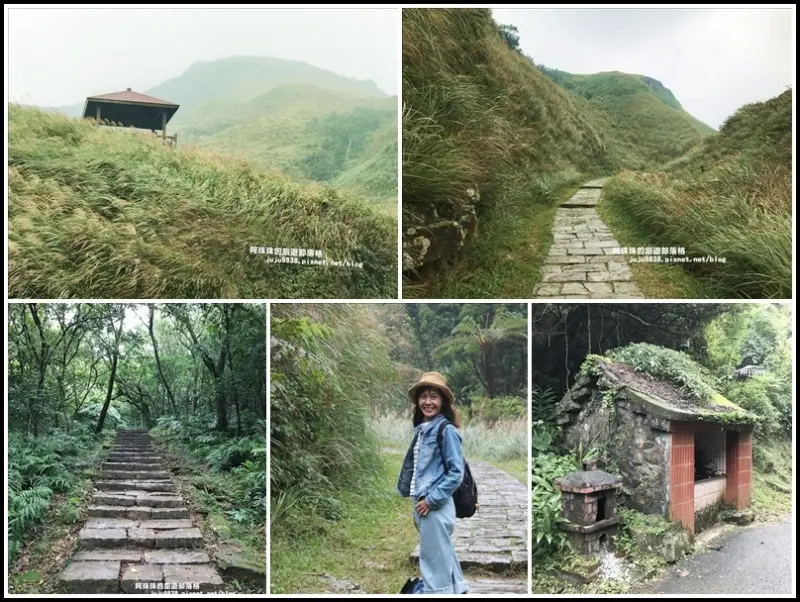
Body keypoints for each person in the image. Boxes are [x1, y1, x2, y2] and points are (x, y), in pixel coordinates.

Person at [397, 372, 469, 595]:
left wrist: (431, 500)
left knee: (433, 563)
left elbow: (456, 474)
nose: (428, 402)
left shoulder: (446, 431)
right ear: (418, 402)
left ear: (443, 402)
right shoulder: (423, 430)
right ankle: (458, 590)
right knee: (442, 555)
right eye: (424, 397)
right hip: (424, 505)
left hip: (435, 506)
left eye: (434, 397)